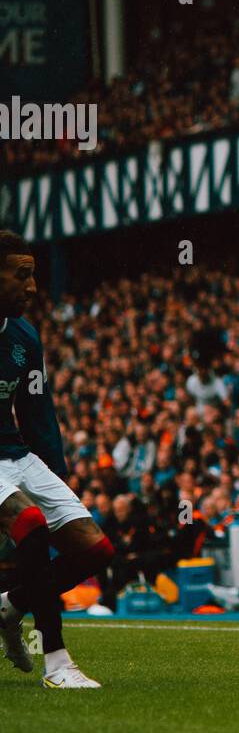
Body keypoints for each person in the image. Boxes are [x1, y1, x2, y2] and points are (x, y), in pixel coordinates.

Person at [0, 231, 110, 688]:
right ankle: (58, 664)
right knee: (28, 525)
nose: (32, 287)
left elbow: (37, 413)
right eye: (22, 275)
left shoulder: (25, 337)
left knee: (95, 548)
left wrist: (56, 480)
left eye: (34, 275)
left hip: (15, 454)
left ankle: (8, 604)